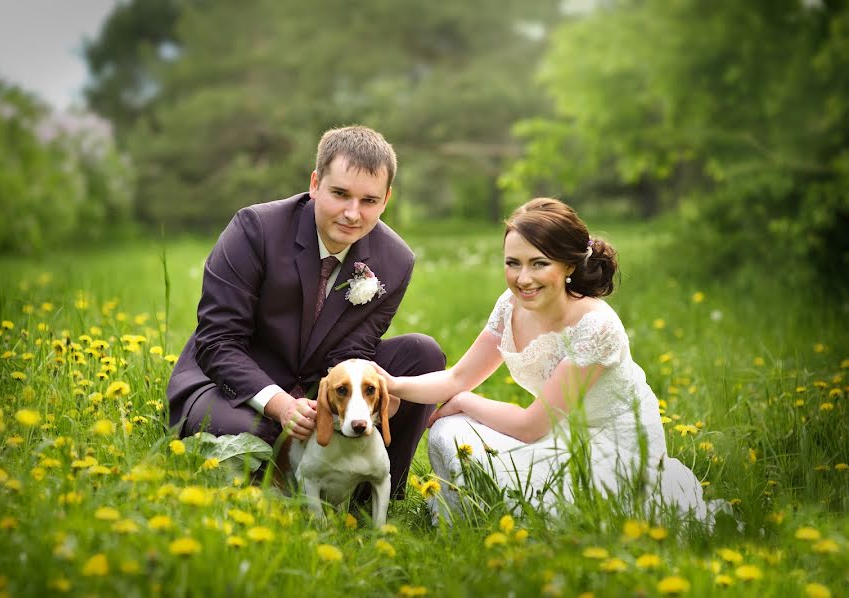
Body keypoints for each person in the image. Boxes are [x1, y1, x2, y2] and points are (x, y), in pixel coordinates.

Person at [376, 198, 720, 521]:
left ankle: (520, 514)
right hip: (557, 434)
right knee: (449, 431)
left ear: (569, 264)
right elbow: (455, 379)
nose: (523, 279)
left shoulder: (595, 326)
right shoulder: (511, 305)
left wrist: (465, 401)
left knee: (472, 429)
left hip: (614, 450)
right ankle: (467, 523)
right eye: (513, 263)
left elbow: (530, 426)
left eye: (539, 263)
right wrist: (389, 383)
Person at [167, 125, 444, 498]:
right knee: (256, 434)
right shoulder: (255, 229)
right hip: (230, 383)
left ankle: (374, 494)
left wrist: (355, 401)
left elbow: (356, 349)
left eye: (369, 201)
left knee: (423, 354)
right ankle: (273, 490)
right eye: (340, 194)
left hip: (322, 382)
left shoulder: (395, 260)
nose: (352, 213)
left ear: (386, 200)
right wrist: (281, 405)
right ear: (315, 184)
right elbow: (218, 341)